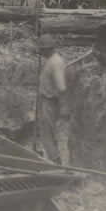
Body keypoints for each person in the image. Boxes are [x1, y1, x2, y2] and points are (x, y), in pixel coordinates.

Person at [36, 34, 66, 165]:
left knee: (48, 134)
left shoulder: (55, 62)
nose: (40, 53)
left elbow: (60, 87)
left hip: (49, 102)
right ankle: (54, 160)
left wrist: (52, 98)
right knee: (46, 133)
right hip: (45, 100)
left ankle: (56, 163)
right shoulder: (51, 60)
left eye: (42, 50)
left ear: (48, 49)